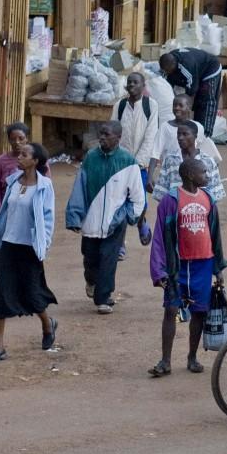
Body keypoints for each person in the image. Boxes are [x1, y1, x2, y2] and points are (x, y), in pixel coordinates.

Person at [148, 158, 227, 377]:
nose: (207, 176)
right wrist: (159, 270)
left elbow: (215, 235)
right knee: (171, 310)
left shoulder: (208, 198)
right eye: (203, 172)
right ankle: (165, 360)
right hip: (178, 267)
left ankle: (192, 357)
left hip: (203, 264)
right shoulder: (171, 201)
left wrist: (218, 267)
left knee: (199, 312)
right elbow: (160, 238)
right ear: (191, 175)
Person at [0, 142, 58, 361]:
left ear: (35, 161)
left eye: (25, 155)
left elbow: (48, 218)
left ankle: (47, 324)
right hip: (8, 244)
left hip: (29, 247)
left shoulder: (44, 186)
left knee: (32, 293)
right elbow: (5, 210)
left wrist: (44, 244)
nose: (19, 157)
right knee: (0, 295)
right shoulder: (13, 181)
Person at [65, 121, 148, 314]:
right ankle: (91, 281)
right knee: (90, 258)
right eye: (100, 134)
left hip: (115, 224)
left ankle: (103, 298)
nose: (102, 138)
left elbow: (137, 198)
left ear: (118, 138)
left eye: (106, 135)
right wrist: (75, 216)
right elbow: (80, 188)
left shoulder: (128, 161)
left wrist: (125, 217)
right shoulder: (90, 158)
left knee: (108, 259)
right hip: (90, 222)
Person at [159, 47, 223, 139]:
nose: (166, 72)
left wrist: (186, 115)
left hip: (210, 69)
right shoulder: (168, 62)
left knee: (205, 101)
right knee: (193, 104)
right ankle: (195, 131)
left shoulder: (186, 68)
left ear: (174, 64)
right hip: (197, 68)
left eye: (168, 70)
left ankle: (205, 135)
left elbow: (191, 94)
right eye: (164, 70)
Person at [155, 119, 225, 203]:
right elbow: (161, 194)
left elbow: (215, 195)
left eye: (185, 134)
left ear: (195, 136)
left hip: (201, 211)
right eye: (178, 134)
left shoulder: (208, 161)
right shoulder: (170, 160)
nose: (180, 138)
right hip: (177, 211)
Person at [159, 93, 222, 164]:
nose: (177, 108)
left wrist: (211, 163)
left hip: (193, 167)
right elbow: (155, 153)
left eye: (180, 105)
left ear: (189, 107)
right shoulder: (165, 126)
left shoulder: (198, 127)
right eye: (174, 105)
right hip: (171, 165)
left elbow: (201, 148)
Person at [0, 122, 29, 214]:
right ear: (9, 140)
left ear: (27, 138)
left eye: (21, 138)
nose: (17, 142)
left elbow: (45, 187)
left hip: (30, 212)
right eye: (13, 139)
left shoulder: (37, 160)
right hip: (6, 211)